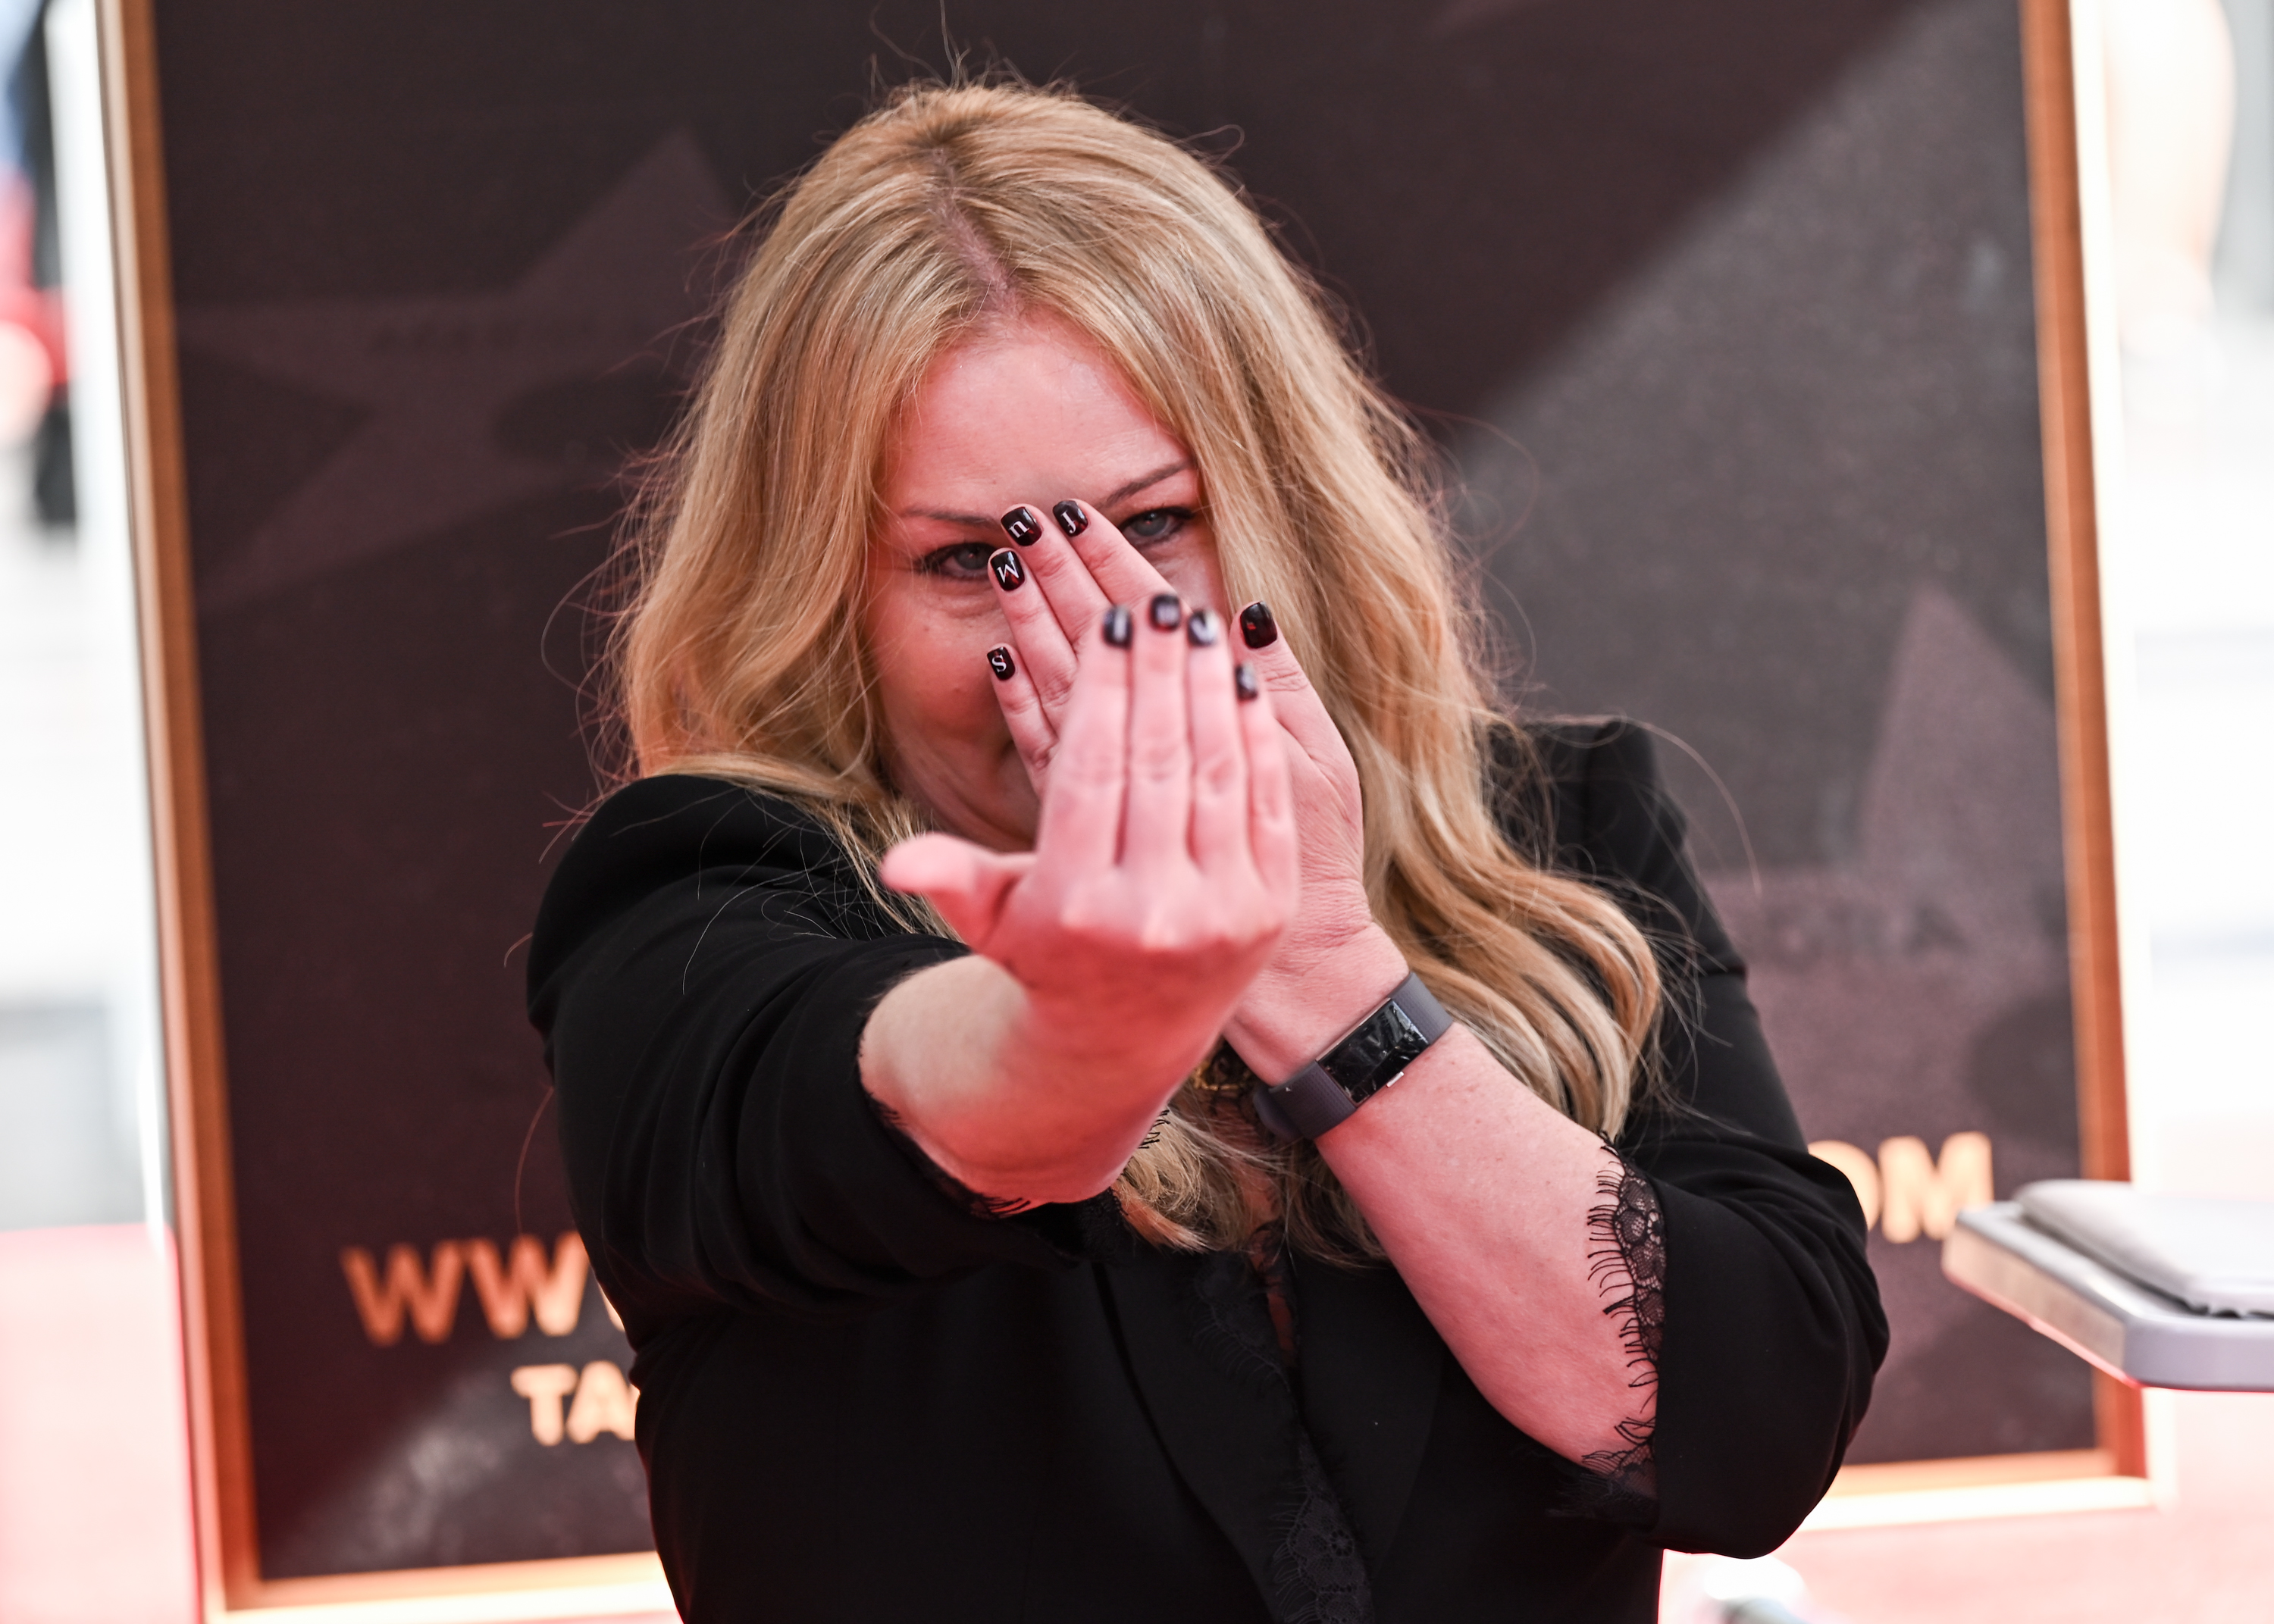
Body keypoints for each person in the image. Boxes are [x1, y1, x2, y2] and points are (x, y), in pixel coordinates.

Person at [527, 79, 1885, 1624]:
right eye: (981, 562)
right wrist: (1082, 1024)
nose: (1100, 641)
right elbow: (920, 1084)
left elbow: (1753, 1428)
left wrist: (1316, 967)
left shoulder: (1556, 831)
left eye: (1155, 526)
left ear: (1278, 502)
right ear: (828, 586)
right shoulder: (693, 897)